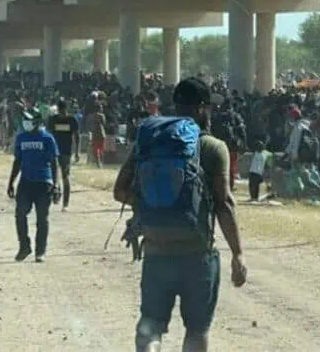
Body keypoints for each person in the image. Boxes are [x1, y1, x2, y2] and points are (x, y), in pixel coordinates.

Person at [113, 78, 246, 352]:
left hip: (156, 250)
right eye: (208, 107)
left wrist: (151, 204)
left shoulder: (150, 141)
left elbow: (119, 190)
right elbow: (225, 204)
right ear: (201, 108)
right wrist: (237, 254)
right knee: (197, 330)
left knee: (150, 325)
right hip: (197, 253)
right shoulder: (213, 147)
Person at [6, 108, 60, 263]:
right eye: (25, 120)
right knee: (20, 214)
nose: (26, 123)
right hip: (25, 182)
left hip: (44, 182)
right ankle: (24, 246)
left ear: (37, 121)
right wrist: (11, 182)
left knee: (42, 219)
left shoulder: (47, 138)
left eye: (29, 120)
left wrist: (56, 184)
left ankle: (40, 251)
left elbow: (54, 164)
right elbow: (17, 162)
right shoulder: (21, 138)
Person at [48, 99, 80, 211]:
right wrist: (76, 152)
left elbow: (48, 135)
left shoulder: (53, 120)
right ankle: (64, 203)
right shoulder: (71, 120)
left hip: (57, 152)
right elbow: (77, 137)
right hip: (65, 152)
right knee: (64, 177)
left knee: (55, 176)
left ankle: (58, 196)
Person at [92, 104, 107, 168]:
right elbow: (104, 123)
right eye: (101, 107)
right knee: (101, 150)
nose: (102, 109)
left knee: (96, 150)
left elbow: (90, 125)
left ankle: (98, 164)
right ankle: (101, 164)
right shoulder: (102, 115)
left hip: (95, 134)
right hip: (101, 134)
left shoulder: (92, 115)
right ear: (99, 108)